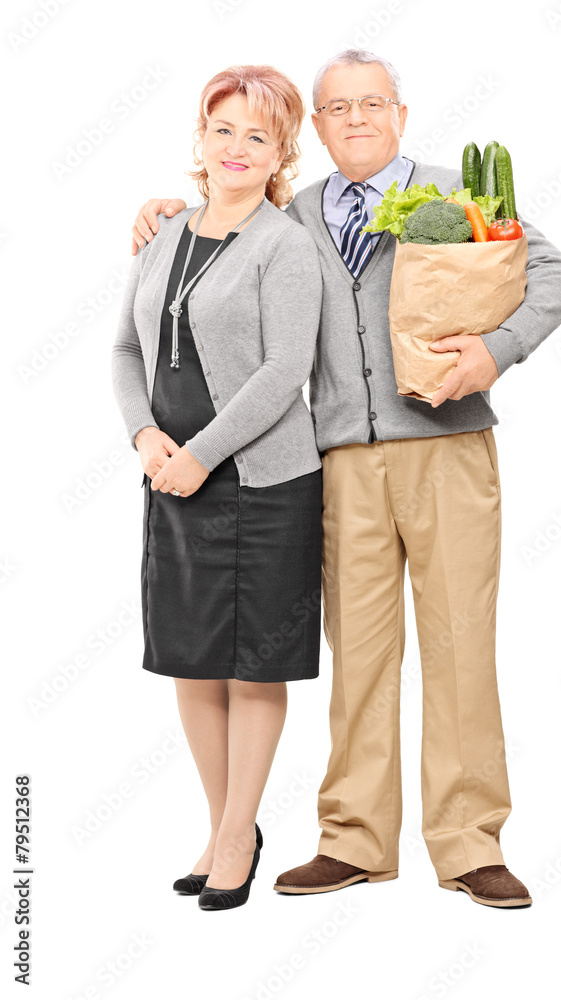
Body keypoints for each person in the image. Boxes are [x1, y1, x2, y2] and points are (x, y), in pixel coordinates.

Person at [129, 49, 561, 909]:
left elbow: (554, 275)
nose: (356, 119)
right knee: (359, 656)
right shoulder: (292, 216)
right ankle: (354, 840)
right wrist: (156, 211)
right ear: (318, 130)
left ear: (400, 115)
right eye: (337, 109)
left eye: (372, 104)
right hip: (336, 463)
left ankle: (467, 841)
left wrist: (495, 350)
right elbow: (220, 228)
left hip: (447, 450)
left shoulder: (458, 193)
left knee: (457, 648)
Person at [111, 64, 324, 911]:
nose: (237, 147)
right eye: (223, 129)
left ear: (280, 153)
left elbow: (285, 371)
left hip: (262, 485)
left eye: (257, 135)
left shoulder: (284, 244)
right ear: (200, 139)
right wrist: (145, 436)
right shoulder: (163, 234)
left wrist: (199, 452)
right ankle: (220, 825)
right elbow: (126, 351)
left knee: (251, 668)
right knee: (191, 663)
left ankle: (240, 832)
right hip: (169, 479)